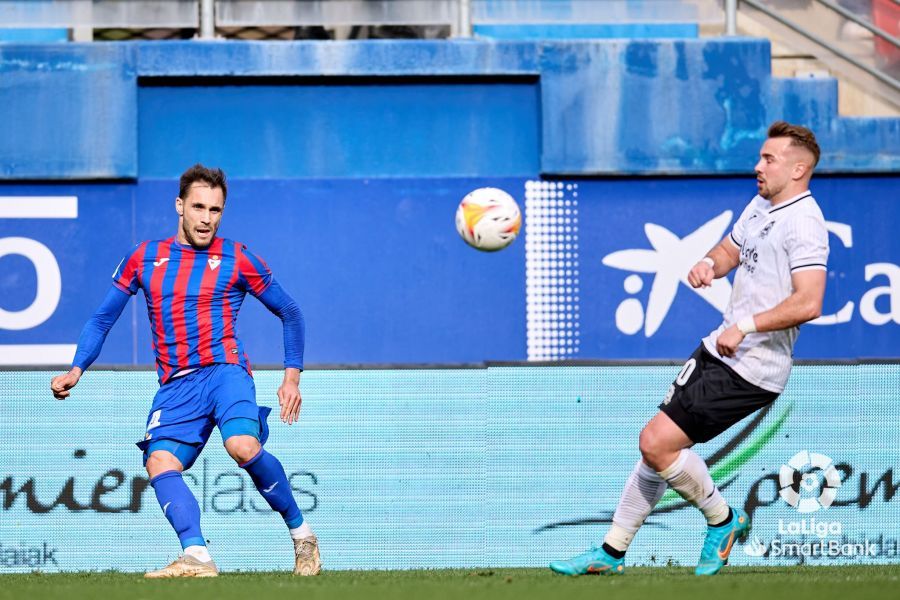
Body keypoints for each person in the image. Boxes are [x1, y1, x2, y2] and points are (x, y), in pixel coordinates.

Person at [550, 121, 829, 577]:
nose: (758, 166)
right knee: (655, 450)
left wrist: (747, 325)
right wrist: (708, 264)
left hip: (753, 367)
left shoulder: (806, 224)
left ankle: (723, 521)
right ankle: (611, 552)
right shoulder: (762, 205)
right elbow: (730, 248)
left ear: (799, 169)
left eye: (769, 159)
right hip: (720, 350)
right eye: (760, 157)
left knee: (655, 443)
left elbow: (810, 301)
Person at [50, 164, 321, 578]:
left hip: (225, 371)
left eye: (215, 210)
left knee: (243, 446)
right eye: (198, 206)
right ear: (180, 206)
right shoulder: (145, 257)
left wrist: (292, 377)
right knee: (159, 462)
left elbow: (290, 312)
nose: (206, 218)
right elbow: (102, 319)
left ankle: (303, 537)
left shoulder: (237, 258)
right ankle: (196, 555)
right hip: (176, 385)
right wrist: (76, 369)